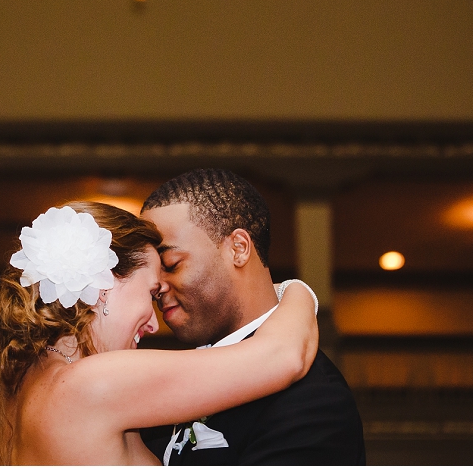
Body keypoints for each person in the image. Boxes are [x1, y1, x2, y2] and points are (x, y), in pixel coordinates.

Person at [0, 200, 320, 465]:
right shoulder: (91, 384)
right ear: (105, 285)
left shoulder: (24, 385)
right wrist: (295, 290)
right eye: (152, 293)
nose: (154, 324)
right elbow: (284, 356)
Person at [140, 168, 366, 465]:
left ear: (239, 248)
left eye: (171, 264)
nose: (157, 286)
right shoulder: (154, 381)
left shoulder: (313, 402)